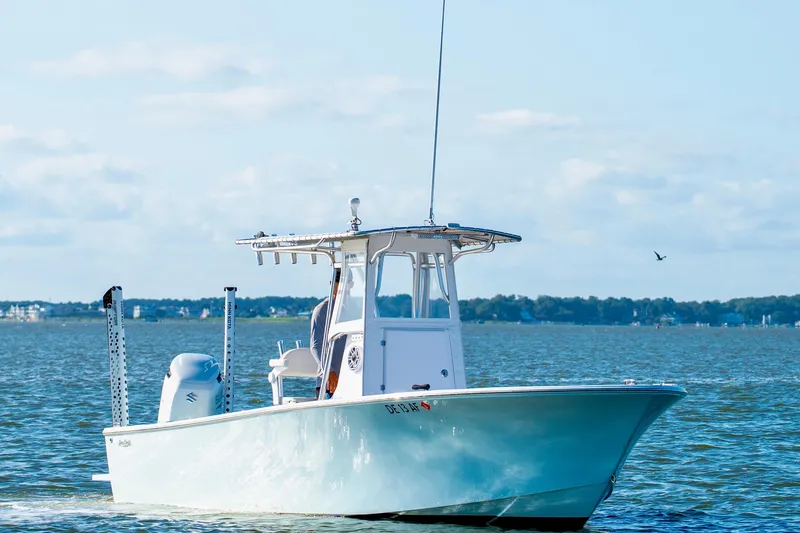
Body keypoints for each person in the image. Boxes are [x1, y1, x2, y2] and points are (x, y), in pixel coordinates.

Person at [309, 269, 351, 398]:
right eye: (339, 282)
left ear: (352, 284)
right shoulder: (322, 310)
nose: (342, 286)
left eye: (346, 282)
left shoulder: (356, 309)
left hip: (352, 378)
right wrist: (329, 372)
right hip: (329, 382)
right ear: (331, 283)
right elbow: (316, 346)